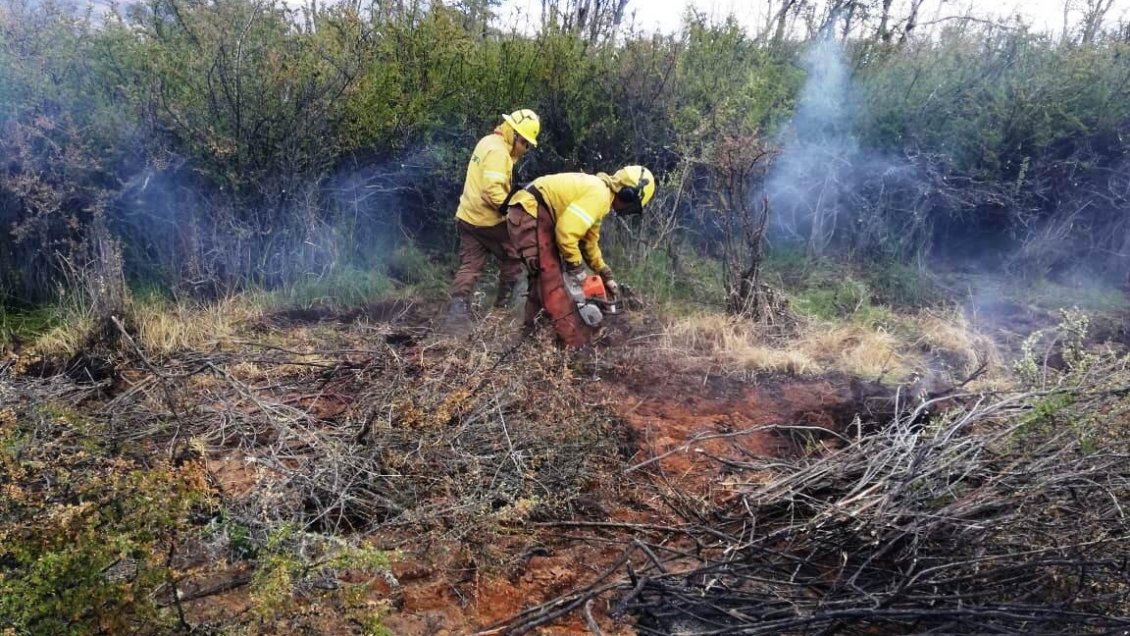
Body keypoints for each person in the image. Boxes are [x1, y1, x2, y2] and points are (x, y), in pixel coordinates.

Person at [505, 165, 655, 345]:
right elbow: (566, 233)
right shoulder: (598, 194)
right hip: (531, 212)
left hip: (533, 212)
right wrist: (576, 269)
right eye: (631, 206)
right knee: (553, 285)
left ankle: (529, 341)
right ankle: (576, 345)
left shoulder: (602, 196)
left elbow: (589, 242)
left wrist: (605, 274)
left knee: (542, 284)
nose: (627, 210)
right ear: (627, 193)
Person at [444, 109, 541, 326]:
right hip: (488, 220)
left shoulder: (487, 142)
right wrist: (513, 210)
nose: (525, 149)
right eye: (524, 143)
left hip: (468, 217)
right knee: (513, 257)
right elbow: (492, 190)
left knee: (469, 265)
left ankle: (456, 314)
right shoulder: (499, 152)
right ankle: (503, 309)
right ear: (514, 134)